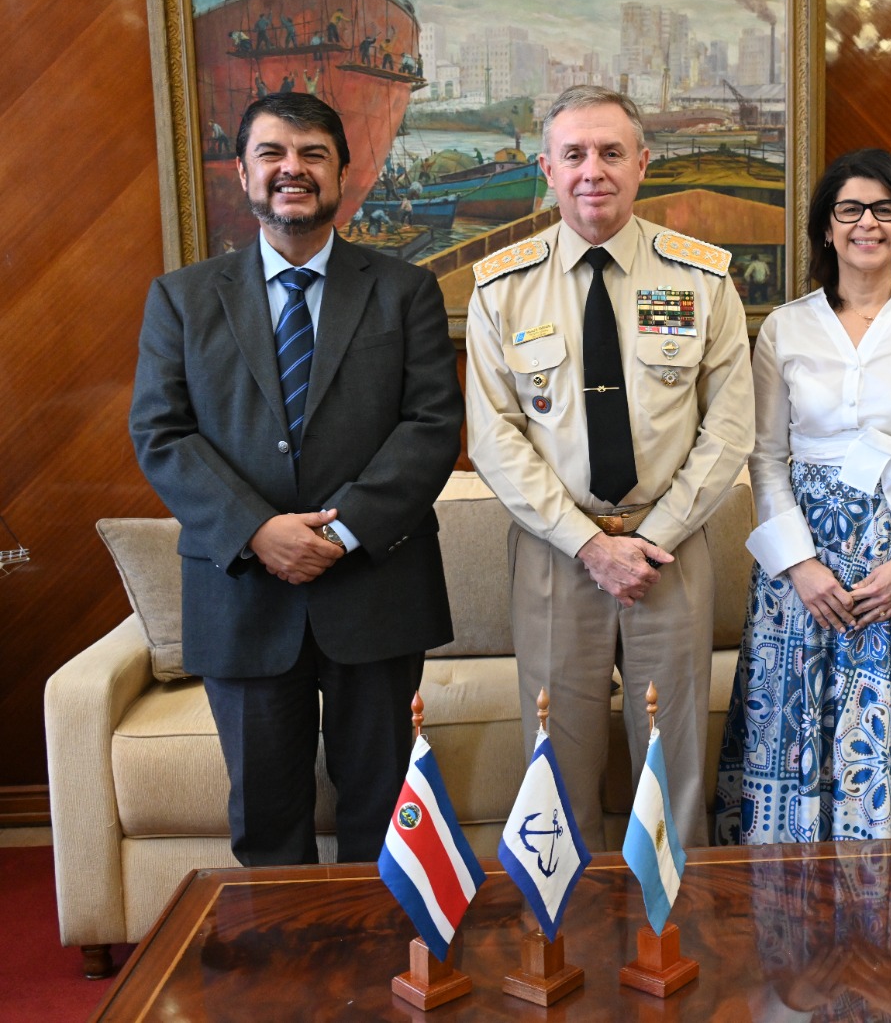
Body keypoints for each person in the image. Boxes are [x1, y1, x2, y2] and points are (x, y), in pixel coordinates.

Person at [128, 92, 464, 868]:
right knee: (267, 813)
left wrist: (341, 531)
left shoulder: (404, 291)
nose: (293, 170)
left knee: (384, 810)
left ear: (344, 173)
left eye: (314, 154)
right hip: (242, 592)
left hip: (376, 588)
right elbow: (161, 433)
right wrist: (258, 530)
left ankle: (383, 974)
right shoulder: (181, 299)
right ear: (242, 171)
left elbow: (430, 429)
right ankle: (283, 981)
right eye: (274, 153)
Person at [465, 85, 754, 850]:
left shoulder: (700, 278)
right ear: (548, 169)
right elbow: (494, 436)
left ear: (642, 164)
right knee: (557, 763)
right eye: (575, 154)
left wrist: (652, 538)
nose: (593, 170)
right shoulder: (503, 289)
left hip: (670, 551)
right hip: (558, 557)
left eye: (612, 152)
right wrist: (589, 545)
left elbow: (729, 425)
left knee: (675, 758)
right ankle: (570, 941)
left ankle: (674, 938)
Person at [713, 148, 891, 937]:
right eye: (850, 210)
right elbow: (764, 458)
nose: (867, 224)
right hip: (803, 580)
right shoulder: (784, 329)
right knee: (798, 746)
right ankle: (794, 932)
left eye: (884, 210)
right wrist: (799, 566)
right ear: (826, 228)